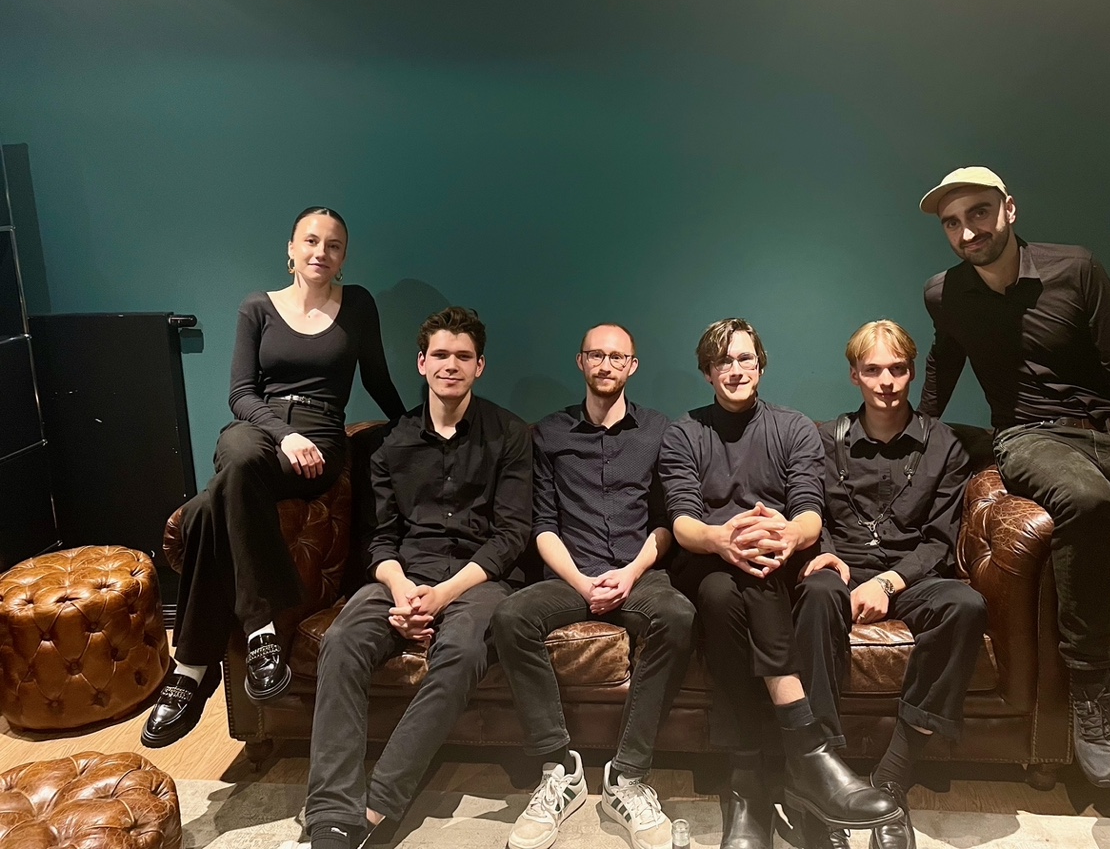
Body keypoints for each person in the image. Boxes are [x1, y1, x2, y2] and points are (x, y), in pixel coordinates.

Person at [917, 167, 1110, 805]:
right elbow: (944, 363)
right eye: (952, 222)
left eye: (978, 213)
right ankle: (1092, 685)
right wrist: (913, 440)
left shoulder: (1076, 268)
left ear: (1008, 209)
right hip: (1028, 436)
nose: (967, 232)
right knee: (1085, 500)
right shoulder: (945, 294)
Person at [143, 206, 405, 748]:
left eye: (333, 245)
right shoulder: (257, 307)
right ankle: (258, 630)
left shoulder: (357, 304)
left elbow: (377, 377)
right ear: (291, 248)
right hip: (259, 430)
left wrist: (412, 428)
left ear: (343, 256)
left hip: (320, 439)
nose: (321, 252)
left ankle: (190, 667)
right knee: (238, 460)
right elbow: (241, 393)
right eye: (310, 240)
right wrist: (282, 434)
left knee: (207, 507)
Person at [659, 318, 901, 849]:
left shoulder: (793, 428)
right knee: (722, 589)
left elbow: (810, 513)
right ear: (707, 372)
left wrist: (786, 535)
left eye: (745, 358)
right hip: (708, 559)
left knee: (819, 589)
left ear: (761, 366)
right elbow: (682, 522)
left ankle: (758, 778)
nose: (736, 370)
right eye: (723, 361)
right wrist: (723, 538)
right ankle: (807, 757)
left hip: (780, 556)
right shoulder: (684, 432)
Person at [304, 306, 532, 849]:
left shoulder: (510, 434)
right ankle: (332, 815)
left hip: (478, 579)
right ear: (422, 363)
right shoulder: (388, 442)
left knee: (463, 651)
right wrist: (403, 590)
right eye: (441, 355)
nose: (451, 365)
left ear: (479, 366)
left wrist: (444, 595)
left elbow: (511, 536)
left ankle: (379, 802)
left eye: (463, 356)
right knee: (341, 640)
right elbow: (378, 537)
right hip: (402, 575)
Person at [493, 323, 696, 849]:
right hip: (571, 574)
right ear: (581, 362)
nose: (606, 365)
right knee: (510, 617)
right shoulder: (548, 433)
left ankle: (627, 776)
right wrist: (583, 584)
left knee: (678, 615)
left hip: (638, 574)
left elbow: (667, 524)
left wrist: (629, 574)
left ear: (632, 366)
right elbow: (542, 526)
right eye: (596, 355)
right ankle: (559, 769)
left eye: (617, 357)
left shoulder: (660, 431)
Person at [796, 320, 985, 849]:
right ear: (854, 375)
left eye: (897, 369)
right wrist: (827, 554)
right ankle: (824, 774)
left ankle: (893, 777)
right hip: (839, 571)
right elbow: (809, 510)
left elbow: (941, 539)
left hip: (912, 575)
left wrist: (888, 582)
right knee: (814, 593)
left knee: (966, 605)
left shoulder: (945, 444)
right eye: (873, 370)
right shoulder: (823, 440)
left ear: (911, 372)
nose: (886, 382)